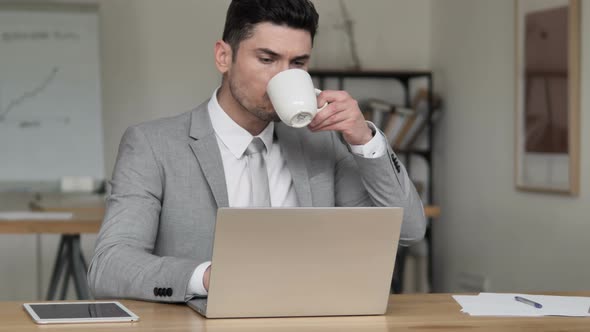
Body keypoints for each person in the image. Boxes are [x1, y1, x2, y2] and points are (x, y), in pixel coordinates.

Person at [88, 0, 426, 302]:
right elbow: (110, 265)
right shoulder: (152, 145)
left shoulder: (324, 142)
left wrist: (364, 139)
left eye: (298, 63)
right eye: (267, 59)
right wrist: (210, 278)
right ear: (224, 56)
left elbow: (408, 231)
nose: (283, 76)